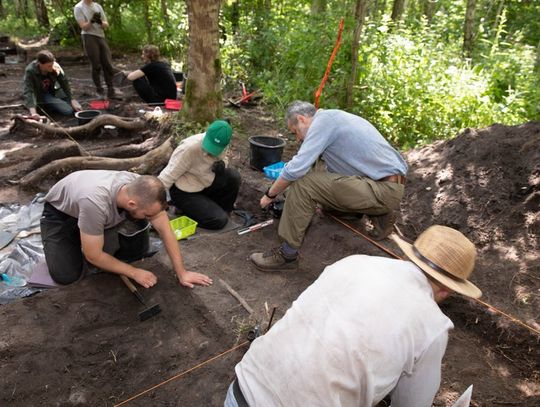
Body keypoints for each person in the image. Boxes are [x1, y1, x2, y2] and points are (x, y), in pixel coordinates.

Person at [225, 225, 482, 407]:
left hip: (242, 389)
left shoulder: (354, 262)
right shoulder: (432, 327)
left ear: (408, 255)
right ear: (448, 290)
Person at [250, 101, 408, 271]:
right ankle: (378, 215)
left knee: (305, 185)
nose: (298, 139)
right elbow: (323, 172)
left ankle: (287, 255)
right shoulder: (334, 119)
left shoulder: (323, 122)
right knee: (323, 200)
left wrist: (270, 195)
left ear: (302, 119)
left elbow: (296, 169)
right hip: (383, 185)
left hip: (382, 190)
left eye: (295, 132)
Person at [40, 170, 212, 289]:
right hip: (60, 214)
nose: (149, 218)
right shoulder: (95, 203)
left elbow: (166, 230)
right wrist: (134, 272)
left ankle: (87, 234)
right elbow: (93, 255)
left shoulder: (142, 189)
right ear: (132, 204)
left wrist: (182, 273)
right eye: (147, 215)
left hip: (91, 210)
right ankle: (77, 235)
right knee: (66, 276)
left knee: (115, 256)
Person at [159, 120, 241, 230]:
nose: (212, 151)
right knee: (218, 221)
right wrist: (157, 205)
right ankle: (186, 210)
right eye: (211, 146)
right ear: (207, 134)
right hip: (185, 191)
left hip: (206, 182)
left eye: (216, 148)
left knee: (233, 176)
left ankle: (221, 211)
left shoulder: (223, 142)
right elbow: (166, 178)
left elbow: (224, 159)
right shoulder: (188, 148)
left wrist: (223, 164)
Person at [74, 0, 121, 99]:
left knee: (107, 63)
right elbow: (83, 27)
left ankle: (111, 90)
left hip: (100, 36)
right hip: (89, 36)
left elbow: (106, 25)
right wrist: (91, 21)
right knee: (96, 64)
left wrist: (99, 21)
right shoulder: (79, 7)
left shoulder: (97, 6)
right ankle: (99, 90)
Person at [22, 50, 82, 118]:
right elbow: (28, 91)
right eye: (49, 66)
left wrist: (72, 99)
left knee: (76, 107)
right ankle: (49, 107)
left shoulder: (54, 66)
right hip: (41, 95)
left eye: (52, 64)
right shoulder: (30, 71)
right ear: (40, 64)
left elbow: (64, 83)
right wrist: (33, 113)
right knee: (68, 110)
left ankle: (54, 105)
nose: (51, 67)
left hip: (54, 91)